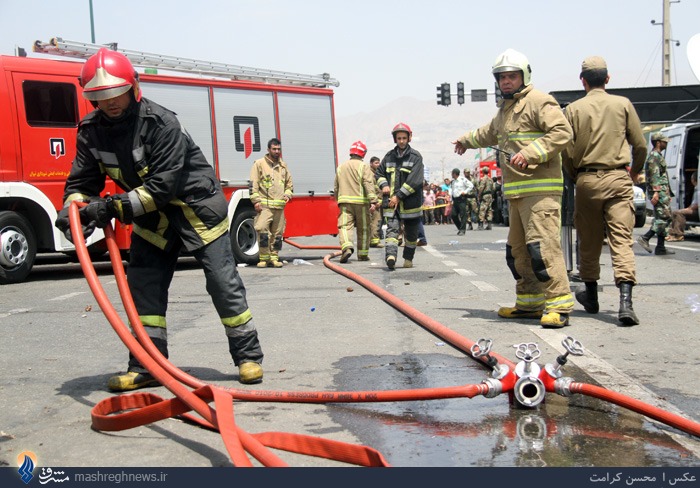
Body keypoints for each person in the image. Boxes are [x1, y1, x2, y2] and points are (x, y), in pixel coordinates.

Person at [54, 48, 264, 390]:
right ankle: (147, 365)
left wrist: (107, 209)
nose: (110, 102)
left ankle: (248, 357)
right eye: (100, 96)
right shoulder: (91, 131)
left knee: (222, 285)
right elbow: (81, 183)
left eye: (115, 93)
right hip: (152, 220)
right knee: (144, 290)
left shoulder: (161, 123)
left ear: (133, 88)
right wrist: (73, 211)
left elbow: (160, 190)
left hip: (196, 210)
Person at [452, 48, 574, 328]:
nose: (506, 82)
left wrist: (531, 152)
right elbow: (488, 132)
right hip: (517, 194)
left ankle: (560, 305)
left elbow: (562, 132)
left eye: (512, 76)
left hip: (540, 192)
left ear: (524, 76)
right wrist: (465, 140)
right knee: (518, 251)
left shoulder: (540, 102)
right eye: (502, 77)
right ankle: (529, 303)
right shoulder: (506, 110)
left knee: (543, 249)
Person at [561, 56, 648, 326]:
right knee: (621, 240)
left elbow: (567, 151)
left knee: (588, 240)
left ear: (583, 80)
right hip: (618, 178)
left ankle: (591, 296)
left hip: (587, 180)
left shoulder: (573, 109)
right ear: (608, 79)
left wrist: (578, 176)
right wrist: (633, 173)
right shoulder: (623, 104)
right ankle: (625, 303)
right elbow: (641, 145)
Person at [376, 122, 425, 269]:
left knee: (411, 235)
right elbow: (379, 173)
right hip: (391, 204)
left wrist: (399, 196)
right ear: (395, 139)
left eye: (404, 138)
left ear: (409, 138)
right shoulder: (389, 156)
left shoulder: (416, 157)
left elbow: (414, 181)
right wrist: (384, 185)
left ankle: (408, 259)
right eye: (399, 138)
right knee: (391, 230)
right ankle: (390, 256)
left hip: (410, 204)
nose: (401, 141)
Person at [250, 137, 294, 268]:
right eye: (274, 149)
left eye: (279, 149)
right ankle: (263, 258)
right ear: (268, 149)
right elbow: (254, 184)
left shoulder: (283, 166)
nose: (277, 151)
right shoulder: (259, 164)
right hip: (265, 207)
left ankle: (274, 257)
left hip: (279, 208)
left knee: (278, 234)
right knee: (262, 230)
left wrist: (287, 195)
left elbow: (289, 185)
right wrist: (256, 201)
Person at [334, 141, 378, 262]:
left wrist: (338, 199)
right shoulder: (364, 167)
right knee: (364, 228)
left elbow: (336, 187)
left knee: (344, 226)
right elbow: (368, 183)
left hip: (344, 202)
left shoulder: (341, 167)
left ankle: (347, 246)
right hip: (361, 203)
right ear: (363, 154)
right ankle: (363, 254)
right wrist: (373, 200)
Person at [638, 132, 675, 256]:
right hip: (659, 192)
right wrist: (656, 193)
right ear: (658, 142)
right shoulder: (654, 156)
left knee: (664, 217)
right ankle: (645, 238)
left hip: (662, 191)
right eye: (664, 141)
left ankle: (660, 247)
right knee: (664, 217)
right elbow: (654, 175)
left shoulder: (658, 156)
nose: (666, 143)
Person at [667, 171, 698, 241]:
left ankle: (679, 235)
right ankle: (672, 234)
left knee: (680, 213)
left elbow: (697, 204)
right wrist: (688, 208)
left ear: (693, 179)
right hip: (695, 209)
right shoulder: (696, 188)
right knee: (675, 212)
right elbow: (693, 203)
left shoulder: (698, 189)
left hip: (697, 211)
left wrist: (688, 209)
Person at [449, 168, 471, 235]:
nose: (451, 174)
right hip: (455, 200)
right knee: (453, 215)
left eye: (452, 173)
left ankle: (462, 230)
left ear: (455, 173)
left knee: (463, 215)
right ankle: (460, 228)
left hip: (461, 199)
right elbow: (452, 191)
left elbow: (470, 186)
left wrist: (465, 192)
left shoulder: (462, 180)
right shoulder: (453, 182)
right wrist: (451, 200)